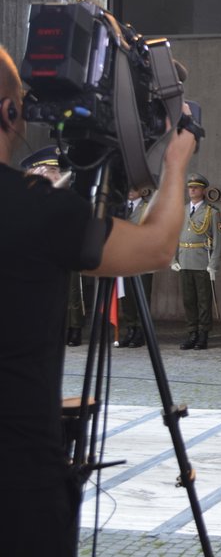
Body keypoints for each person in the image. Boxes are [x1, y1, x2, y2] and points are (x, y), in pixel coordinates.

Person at [0, 43, 197, 557]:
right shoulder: (32, 207)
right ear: (10, 111)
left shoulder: (38, 206)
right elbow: (156, 246)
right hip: (17, 480)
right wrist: (175, 162)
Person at [20, 146, 88, 347]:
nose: (59, 175)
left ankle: (72, 329)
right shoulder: (19, 204)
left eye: (58, 170)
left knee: (72, 293)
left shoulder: (63, 203)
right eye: (52, 171)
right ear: (35, 172)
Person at [171, 173, 221, 350]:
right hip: (185, 260)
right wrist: (173, 259)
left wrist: (213, 264)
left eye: (196, 187)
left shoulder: (211, 212)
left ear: (203, 190)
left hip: (202, 262)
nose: (192, 190)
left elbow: (218, 240)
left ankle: (203, 334)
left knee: (203, 300)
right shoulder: (182, 210)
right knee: (188, 300)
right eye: (190, 187)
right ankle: (191, 333)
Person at [118, 187, 153, 348]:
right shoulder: (120, 207)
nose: (130, 190)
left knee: (141, 296)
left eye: (134, 187)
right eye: (128, 187)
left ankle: (140, 331)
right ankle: (130, 328)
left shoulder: (149, 208)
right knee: (127, 296)